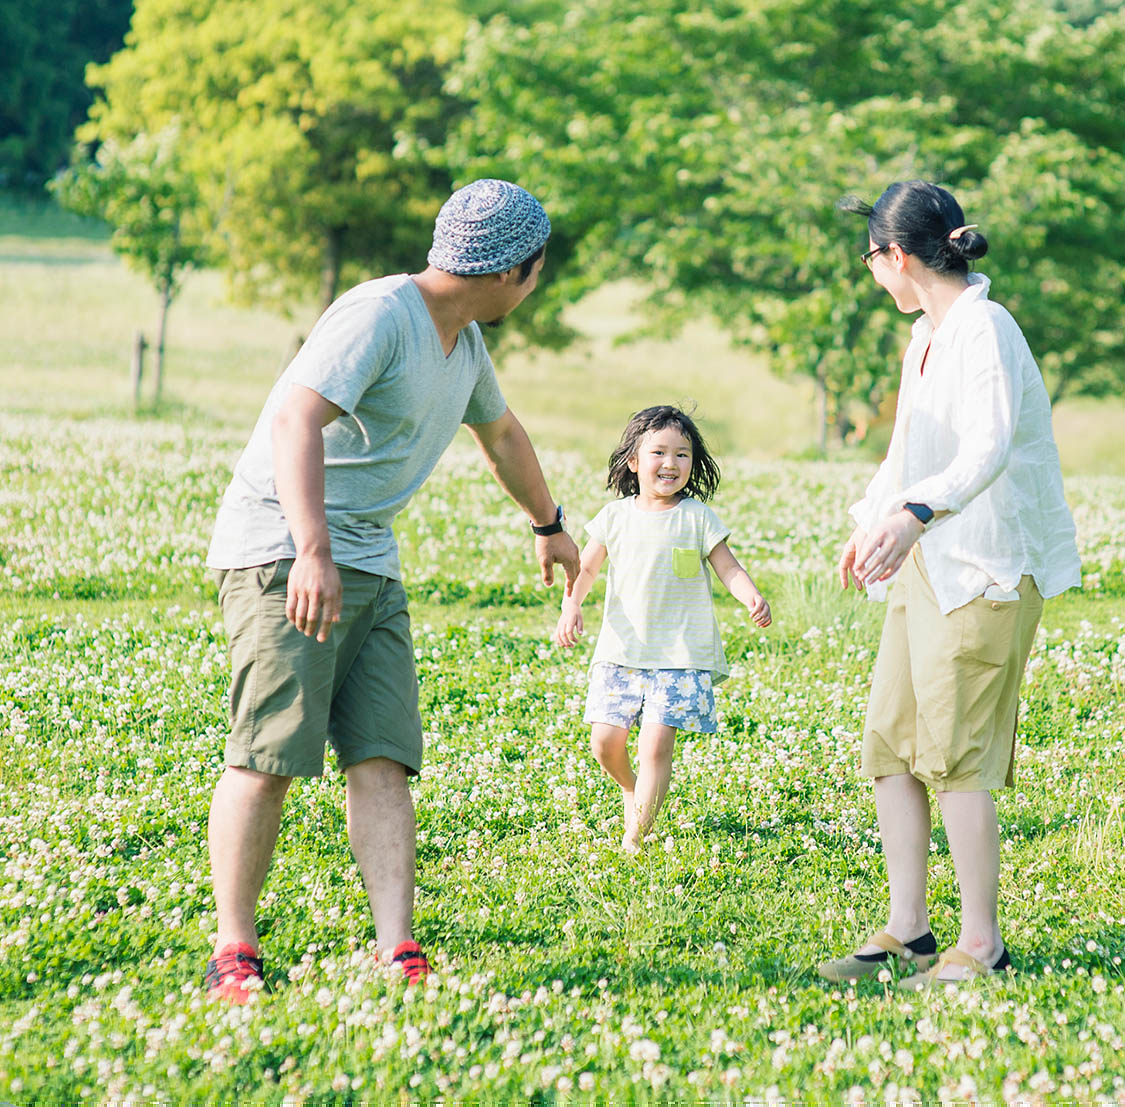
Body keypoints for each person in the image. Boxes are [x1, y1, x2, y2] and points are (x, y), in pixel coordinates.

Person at [202, 179, 581, 1002]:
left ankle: (394, 943)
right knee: (269, 753)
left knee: (382, 755)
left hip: (369, 559)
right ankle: (233, 947)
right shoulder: (378, 314)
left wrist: (547, 523)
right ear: (519, 268)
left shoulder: (464, 344)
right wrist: (311, 551)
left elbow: (503, 435)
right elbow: (295, 419)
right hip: (283, 551)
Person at [817, 181, 1081, 989]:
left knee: (958, 756)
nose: (871, 273)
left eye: (869, 258)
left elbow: (986, 446)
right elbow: (907, 454)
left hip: (987, 565)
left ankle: (982, 945)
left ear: (896, 255)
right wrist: (874, 518)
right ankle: (909, 932)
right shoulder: (926, 337)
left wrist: (915, 514)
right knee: (891, 744)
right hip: (927, 558)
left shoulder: (983, 328)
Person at [554, 406, 772, 851]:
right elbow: (587, 569)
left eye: (682, 454)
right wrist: (571, 606)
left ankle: (636, 834)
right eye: (658, 452)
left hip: (680, 655)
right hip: (622, 649)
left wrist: (750, 594)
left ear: (693, 464)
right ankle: (633, 790)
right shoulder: (615, 516)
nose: (671, 463)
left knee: (656, 747)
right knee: (605, 742)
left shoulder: (697, 517)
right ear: (634, 461)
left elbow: (728, 568)